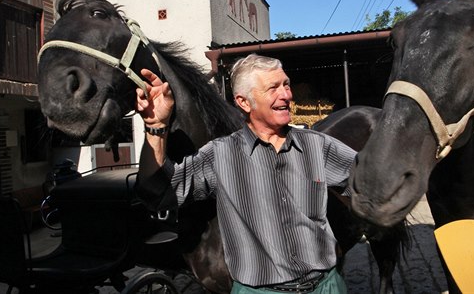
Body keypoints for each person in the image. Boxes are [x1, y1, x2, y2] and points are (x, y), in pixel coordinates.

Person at [135, 54, 356, 293]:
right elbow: (159, 193)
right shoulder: (220, 155)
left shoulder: (318, 146)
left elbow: (370, 180)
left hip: (327, 286)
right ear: (244, 102)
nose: (286, 95)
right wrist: (156, 127)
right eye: (273, 88)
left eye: (286, 84)